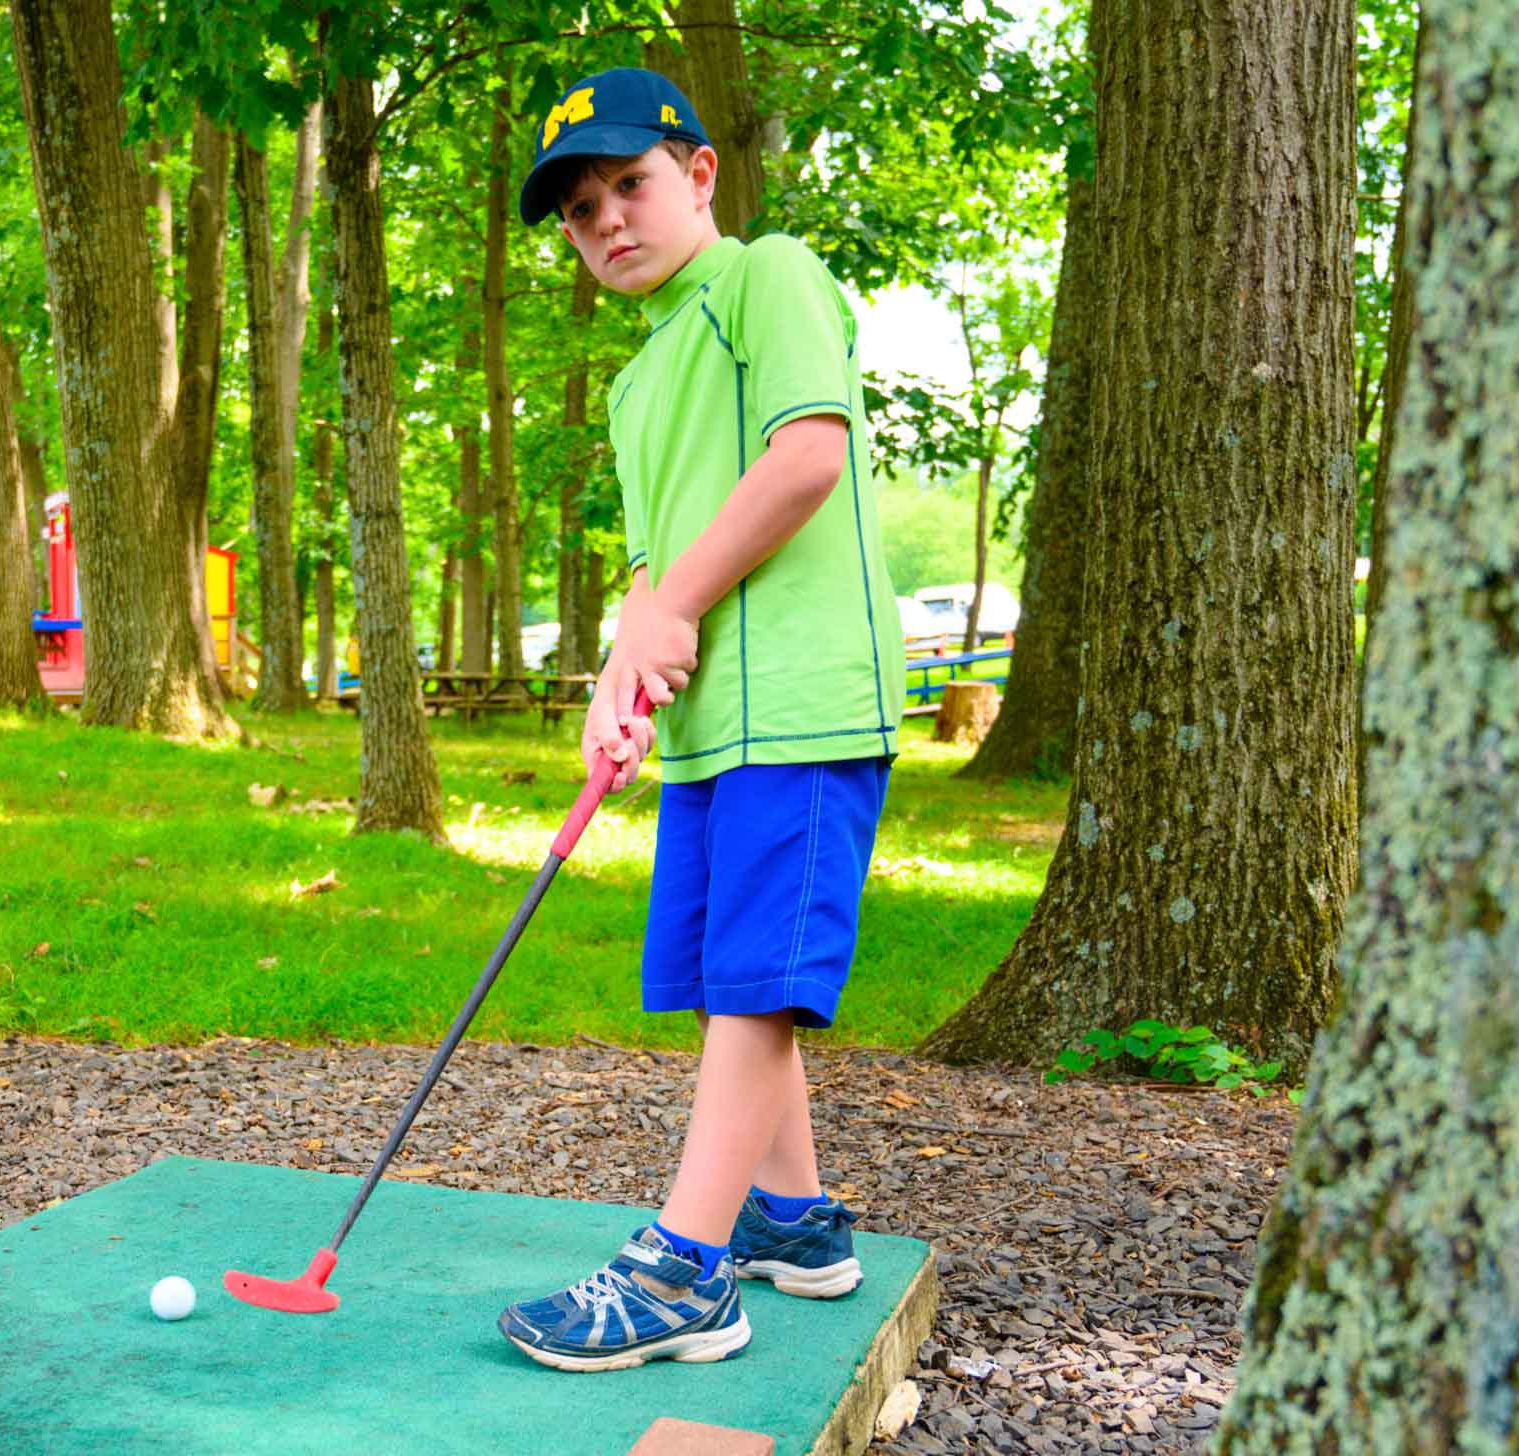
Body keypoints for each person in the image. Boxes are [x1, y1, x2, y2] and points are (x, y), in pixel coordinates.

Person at [494, 68, 904, 1373]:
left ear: (701, 173)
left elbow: (808, 453)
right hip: (712, 725)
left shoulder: (764, 278)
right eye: (577, 211)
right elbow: (649, 565)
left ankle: (686, 1274)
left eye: (630, 184)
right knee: (733, 974)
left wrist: (672, 605)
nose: (607, 221)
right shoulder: (634, 384)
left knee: (756, 985)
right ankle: (793, 1221)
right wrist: (624, 673)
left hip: (800, 699)